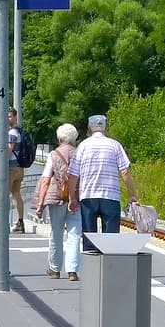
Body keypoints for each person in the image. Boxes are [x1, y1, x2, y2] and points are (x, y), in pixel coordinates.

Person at [72, 112, 137, 239]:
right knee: (111, 241)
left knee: (89, 239)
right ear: (106, 128)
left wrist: (72, 197)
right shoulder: (115, 145)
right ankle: (109, 258)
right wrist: (132, 195)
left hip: (88, 197)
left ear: (89, 129)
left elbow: (74, 175)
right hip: (111, 197)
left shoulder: (82, 146)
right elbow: (125, 172)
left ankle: (91, 258)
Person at [35, 121, 83, 279]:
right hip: (76, 197)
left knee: (56, 232)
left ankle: (55, 269)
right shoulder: (79, 153)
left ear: (59, 137)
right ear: (74, 137)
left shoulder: (54, 155)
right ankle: (72, 270)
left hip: (57, 197)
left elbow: (46, 180)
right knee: (74, 234)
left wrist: (40, 203)